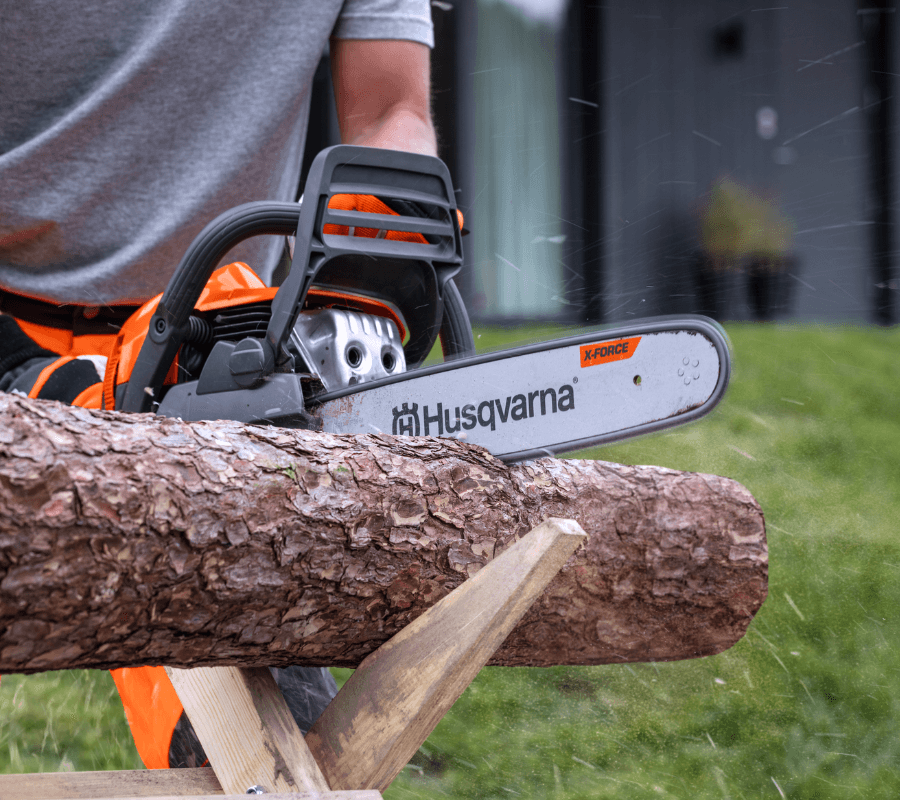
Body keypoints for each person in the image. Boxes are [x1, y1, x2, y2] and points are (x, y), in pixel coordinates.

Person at [0, 0, 439, 769]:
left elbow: (391, 109)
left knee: (274, 761)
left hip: (215, 331)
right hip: (12, 311)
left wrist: (377, 253)